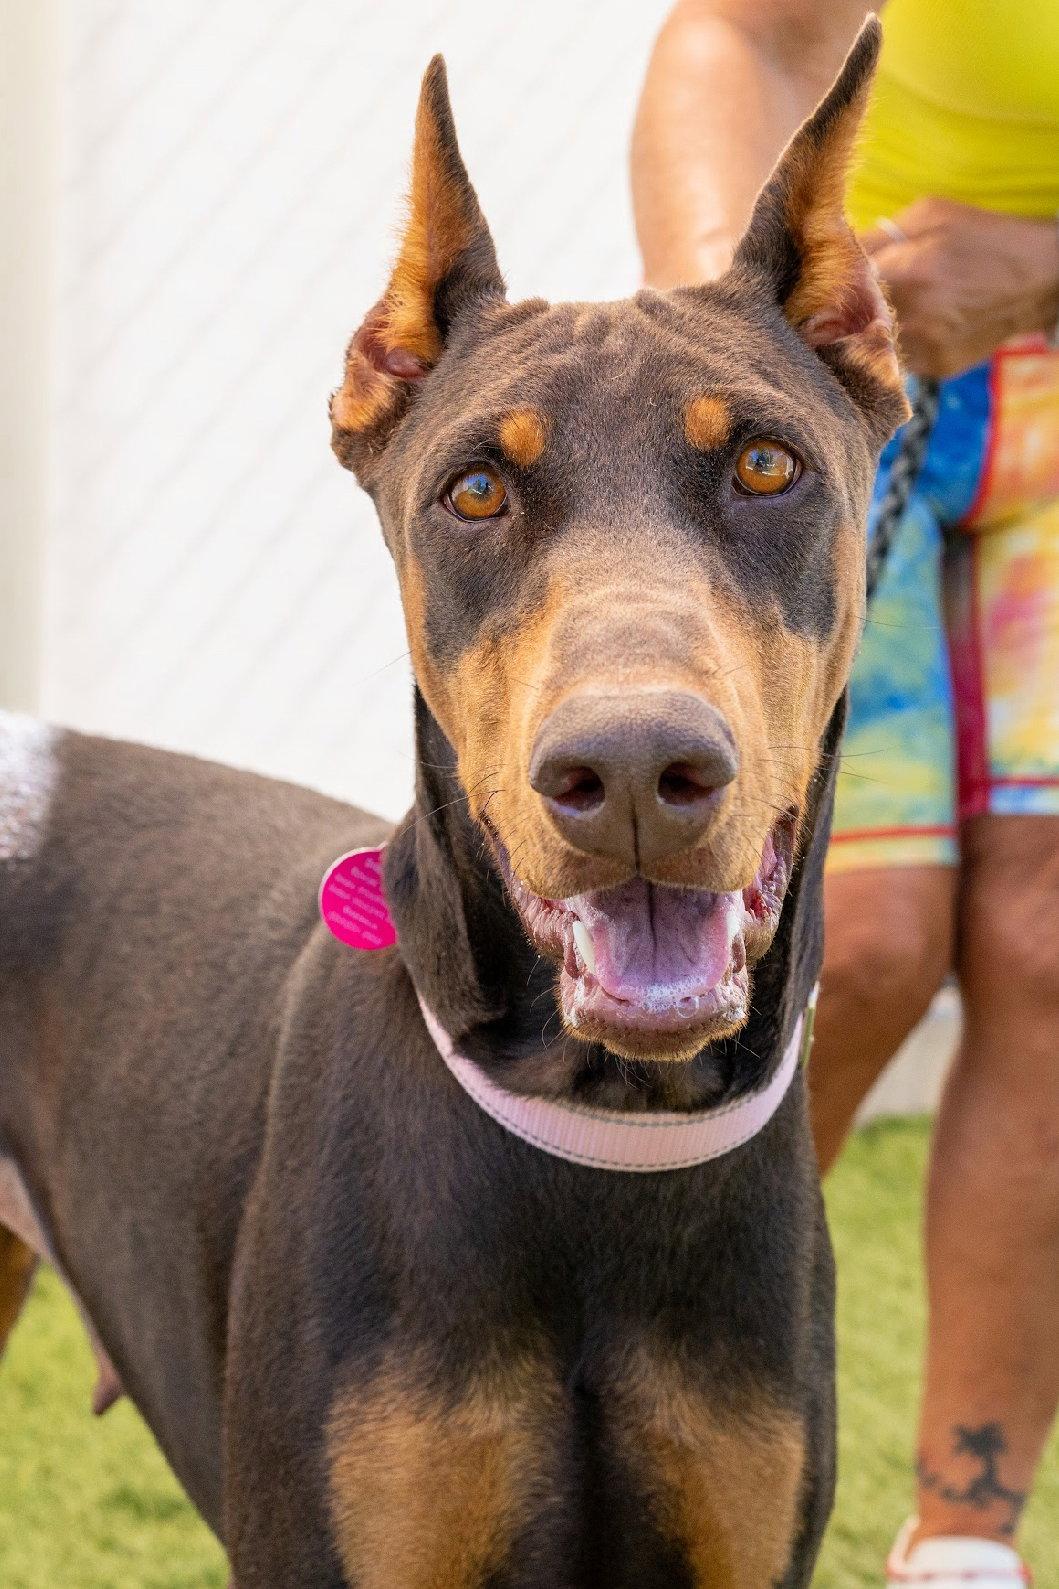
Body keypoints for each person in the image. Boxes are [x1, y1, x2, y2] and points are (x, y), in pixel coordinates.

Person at [633, 2, 1059, 1582]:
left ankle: (963, 1539)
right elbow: (738, 35)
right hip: (857, 374)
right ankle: (621, 1403)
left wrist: (1051, 258)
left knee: (1050, 947)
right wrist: (746, 350)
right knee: (858, 936)